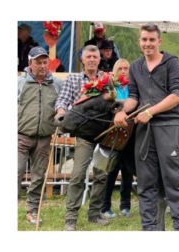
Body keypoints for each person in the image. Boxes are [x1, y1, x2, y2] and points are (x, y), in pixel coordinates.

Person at [113, 23, 179, 231]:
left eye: (151, 40)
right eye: (144, 39)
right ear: (140, 41)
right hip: (144, 130)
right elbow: (134, 98)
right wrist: (122, 111)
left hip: (169, 125)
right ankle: (149, 228)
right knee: (145, 182)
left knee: (174, 181)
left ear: (159, 41)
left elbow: (177, 96)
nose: (148, 44)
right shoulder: (136, 66)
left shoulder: (171, 62)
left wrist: (150, 112)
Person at [55, 45, 111, 231]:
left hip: (104, 135)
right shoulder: (73, 79)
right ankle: (70, 219)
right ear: (83, 59)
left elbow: (116, 101)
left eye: (95, 56)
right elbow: (62, 100)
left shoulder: (107, 79)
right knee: (78, 175)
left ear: (99, 59)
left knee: (102, 175)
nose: (92, 59)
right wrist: (61, 113)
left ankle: (94, 214)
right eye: (89, 56)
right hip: (85, 136)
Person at [18, 46, 63, 224]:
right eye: (38, 62)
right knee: (15, 172)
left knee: (38, 177)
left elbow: (64, 103)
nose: (43, 66)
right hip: (21, 136)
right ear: (30, 63)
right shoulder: (19, 83)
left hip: (44, 137)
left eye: (45, 62)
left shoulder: (57, 83)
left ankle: (32, 211)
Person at [100, 59, 134, 219]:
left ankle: (125, 205)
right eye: (120, 68)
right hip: (113, 135)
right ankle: (105, 206)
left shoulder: (134, 87)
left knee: (128, 171)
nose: (123, 71)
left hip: (131, 134)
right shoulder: (111, 86)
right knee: (111, 171)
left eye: (126, 68)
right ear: (115, 70)